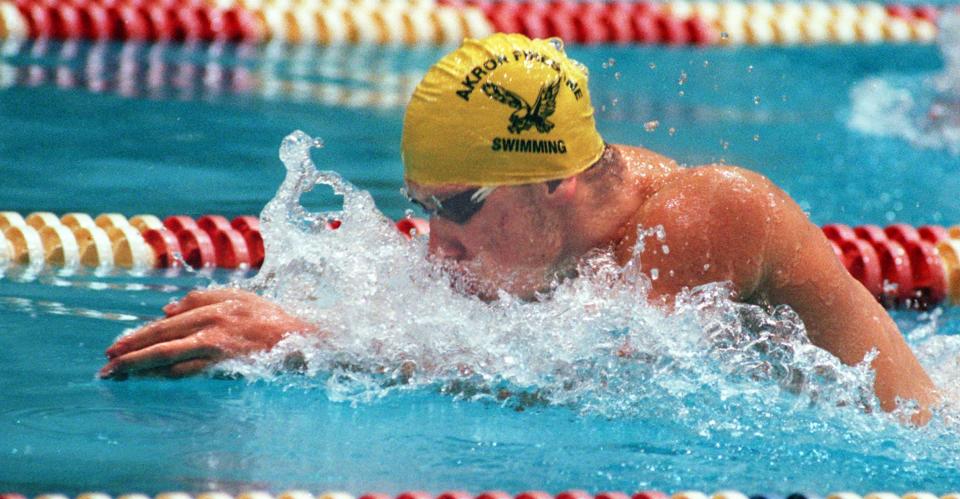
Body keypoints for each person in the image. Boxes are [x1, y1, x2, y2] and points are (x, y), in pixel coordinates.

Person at [100, 33, 937, 424]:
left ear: (559, 182)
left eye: (461, 207)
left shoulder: (711, 209)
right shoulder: (545, 226)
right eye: (423, 208)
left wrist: (307, 335)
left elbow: (590, 375)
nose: (438, 245)